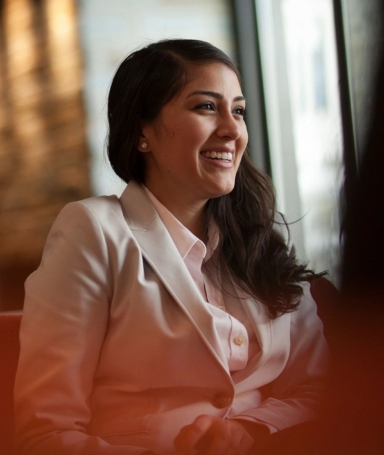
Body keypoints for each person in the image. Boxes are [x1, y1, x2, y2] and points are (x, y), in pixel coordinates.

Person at [14, 39, 328, 455]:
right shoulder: (92, 229)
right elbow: (45, 432)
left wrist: (252, 429)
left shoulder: (258, 238)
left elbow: (320, 388)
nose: (233, 130)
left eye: (237, 110)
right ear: (142, 130)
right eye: (205, 107)